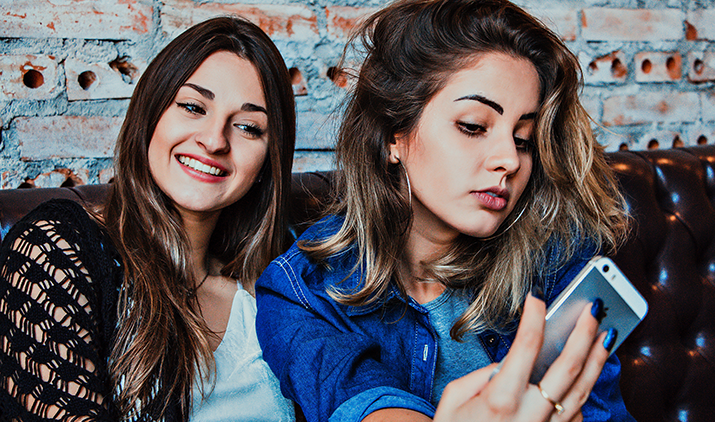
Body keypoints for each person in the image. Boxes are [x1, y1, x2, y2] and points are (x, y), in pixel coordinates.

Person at [255, 0, 633, 421]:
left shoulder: (557, 263)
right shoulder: (303, 290)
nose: (509, 159)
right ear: (393, 135)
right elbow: (368, 406)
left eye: (523, 138)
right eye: (473, 126)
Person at [0, 16, 296, 421]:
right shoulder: (55, 249)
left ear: (268, 160)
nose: (214, 140)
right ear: (151, 114)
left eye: (247, 127)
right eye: (193, 107)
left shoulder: (282, 290)